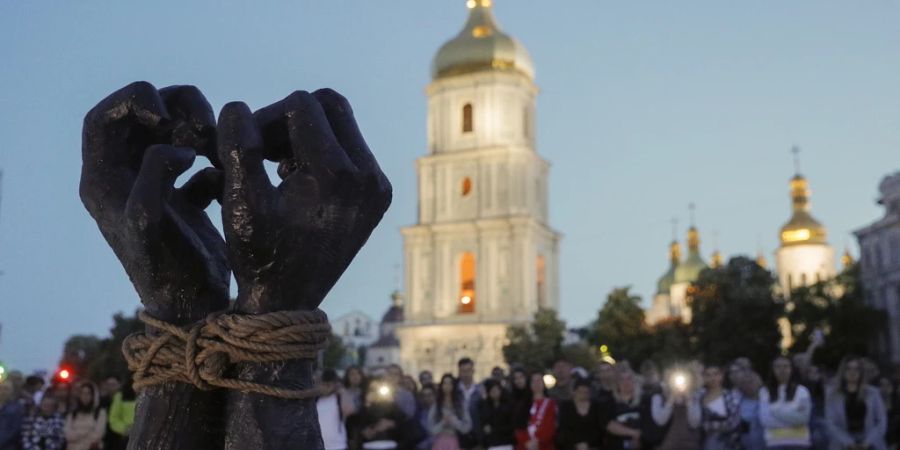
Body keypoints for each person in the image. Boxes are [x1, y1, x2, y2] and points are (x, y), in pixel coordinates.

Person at [824, 356, 887, 450]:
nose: (852, 372)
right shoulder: (833, 395)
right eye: (848, 368)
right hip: (843, 442)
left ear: (861, 372)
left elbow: (881, 421)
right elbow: (831, 423)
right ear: (843, 371)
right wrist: (849, 443)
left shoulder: (873, 393)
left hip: (870, 441)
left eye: (856, 369)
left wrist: (868, 442)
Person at [355, 376, 425, 450]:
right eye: (372, 389)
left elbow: (407, 424)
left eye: (378, 389)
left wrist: (392, 423)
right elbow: (364, 434)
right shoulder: (362, 410)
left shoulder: (391, 406)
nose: (376, 393)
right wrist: (377, 428)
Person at [759, 356, 812, 449]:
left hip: (799, 442)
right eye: (778, 367)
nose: (782, 370)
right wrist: (791, 416)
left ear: (791, 369)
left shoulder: (802, 391)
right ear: (772, 369)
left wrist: (775, 412)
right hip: (774, 443)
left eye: (785, 366)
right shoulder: (764, 392)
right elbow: (766, 420)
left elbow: (803, 418)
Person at [688, 364, 742, 450]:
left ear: (722, 376)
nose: (712, 378)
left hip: (728, 443)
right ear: (704, 378)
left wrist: (707, 426)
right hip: (702, 443)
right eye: (708, 375)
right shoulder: (698, 396)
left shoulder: (731, 396)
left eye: (716, 374)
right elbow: (693, 422)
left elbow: (734, 422)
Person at [428, 374, 473, 450]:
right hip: (440, 442)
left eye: (449, 383)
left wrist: (455, 421)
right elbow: (431, 428)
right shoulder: (437, 405)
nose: (447, 386)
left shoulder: (460, 404)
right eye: (444, 383)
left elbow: (467, 426)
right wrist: (443, 422)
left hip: (455, 441)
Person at [556, 379, 602, 450]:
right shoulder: (566, 407)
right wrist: (577, 443)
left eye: (586, 392)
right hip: (570, 446)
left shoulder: (596, 407)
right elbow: (563, 429)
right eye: (580, 392)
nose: (583, 395)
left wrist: (587, 444)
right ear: (574, 392)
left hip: (593, 446)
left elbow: (599, 428)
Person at [514, 373, 556, 450]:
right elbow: (519, 426)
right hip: (525, 446)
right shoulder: (522, 404)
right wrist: (526, 441)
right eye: (533, 381)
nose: (536, 384)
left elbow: (550, 425)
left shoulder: (551, 403)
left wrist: (539, 441)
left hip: (545, 446)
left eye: (539, 381)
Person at [64, 382, 106, 450]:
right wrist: (88, 430)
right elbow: (68, 435)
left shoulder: (100, 413)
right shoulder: (73, 414)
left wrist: (77, 436)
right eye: (82, 393)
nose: (85, 396)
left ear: (93, 396)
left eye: (88, 393)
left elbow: (98, 435)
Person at [317, 369, 349, 450]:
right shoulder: (315, 400)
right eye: (322, 384)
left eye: (328, 385)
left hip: (338, 446)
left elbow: (348, 410)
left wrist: (343, 392)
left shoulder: (339, 398)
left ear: (335, 385)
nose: (325, 387)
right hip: (318, 446)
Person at [480, 378, 515, 449]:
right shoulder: (486, 406)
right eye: (492, 391)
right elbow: (485, 423)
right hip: (492, 444)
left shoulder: (508, 404)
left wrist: (493, 429)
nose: (494, 392)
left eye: (496, 390)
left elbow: (511, 424)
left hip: (506, 443)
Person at [456, 358, 482, 449]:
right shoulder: (454, 392)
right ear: (459, 372)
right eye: (463, 371)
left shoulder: (480, 391)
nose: (466, 374)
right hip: (458, 437)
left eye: (468, 370)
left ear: (473, 371)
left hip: (477, 437)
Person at [737, 372, 766, 450]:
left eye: (751, 382)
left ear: (759, 383)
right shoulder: (736, 402)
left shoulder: (767, 399)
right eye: (744, 383)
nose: (748, 385)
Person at [107, 382, 136, 450]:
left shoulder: (152, 392)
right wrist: (125, 429)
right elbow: (113, 419)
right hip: (127, 438)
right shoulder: (121, 396)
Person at [344, 366, 367, 450]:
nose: (355, 376)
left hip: (364, 430)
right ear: (347, 377)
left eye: (358, 373)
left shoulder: (367, 392)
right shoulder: (343, 393)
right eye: (352, 374)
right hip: (349, 430)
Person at [0, 380, 25, 450]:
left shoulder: (17, 407)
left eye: (6, 389)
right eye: (0, 388)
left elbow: (14, 430)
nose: (2, 391)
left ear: (12, 391)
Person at [875, 376, 899, 449]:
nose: (884, 388)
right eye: (881, 385)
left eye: (888, 385)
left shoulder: (897, 406)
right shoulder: (871, 405)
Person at [416, 384, 437, 450]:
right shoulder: (420, 413)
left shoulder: (441, 411)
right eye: (424, 396)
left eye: (429, 395)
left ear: (435, 396)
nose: (426, 398)